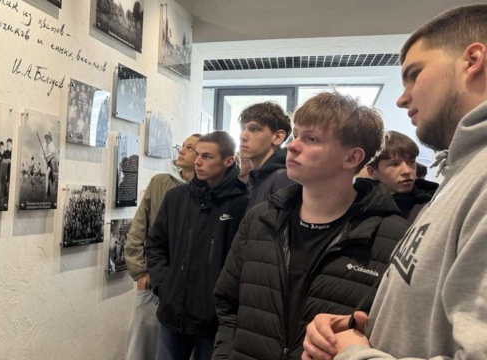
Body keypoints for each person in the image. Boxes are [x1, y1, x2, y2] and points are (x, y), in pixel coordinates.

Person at [303, 4, 487, 360]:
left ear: (473, 60)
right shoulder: (462, 172)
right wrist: (361, 330)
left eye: (415, 74)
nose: (402, 99)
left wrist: (356, 356)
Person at [213, 92, 408, 359]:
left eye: (311, 139)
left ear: (352, 158)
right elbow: (227, 304)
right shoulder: (260, 219)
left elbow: (394, 333)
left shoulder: (392, 237)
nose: (292, 146)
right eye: (295, 135)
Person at [147, 131, 249, 360]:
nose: (198, 161)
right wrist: (164, 285)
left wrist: (227, 302)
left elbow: (244, 261)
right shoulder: (176, 198)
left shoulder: (243, 203)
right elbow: (155, 244)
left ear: (228, 161)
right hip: (173, 312)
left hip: (214, 319)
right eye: (198, 154)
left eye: (207, 156)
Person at [124, 133, 201, 360]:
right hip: (153, 281)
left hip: (184, 287)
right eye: (183, 145)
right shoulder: (160, 182)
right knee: (140, 346)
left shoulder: (205, 191)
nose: (182, 150)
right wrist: (140, 271)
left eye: (190, 147)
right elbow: (138, 228)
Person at [366, 131, 438, 223]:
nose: (407, 171)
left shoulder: (433, 204)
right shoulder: (359, 210)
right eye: (395, 164)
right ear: (372, 172)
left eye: (411, 162)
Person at [238, 101, 296, 208]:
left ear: (277, 137)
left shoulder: (283, 179)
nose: (242, 136)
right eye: (242, 128)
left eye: (253, 129)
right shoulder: (255, 178)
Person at [42, 132, 59, 199]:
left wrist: (47, 156)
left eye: (48, 138)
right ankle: (47, 194)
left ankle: (52, 194)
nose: (46, 139)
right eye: (46, 138)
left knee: (53, 178)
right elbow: (45, 156)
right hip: (49, 163)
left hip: (53, 163)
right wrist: (45, 157)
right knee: (48, 176)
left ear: (50, 138)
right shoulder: (45, 145)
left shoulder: (52, 144)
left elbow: (53, 154)